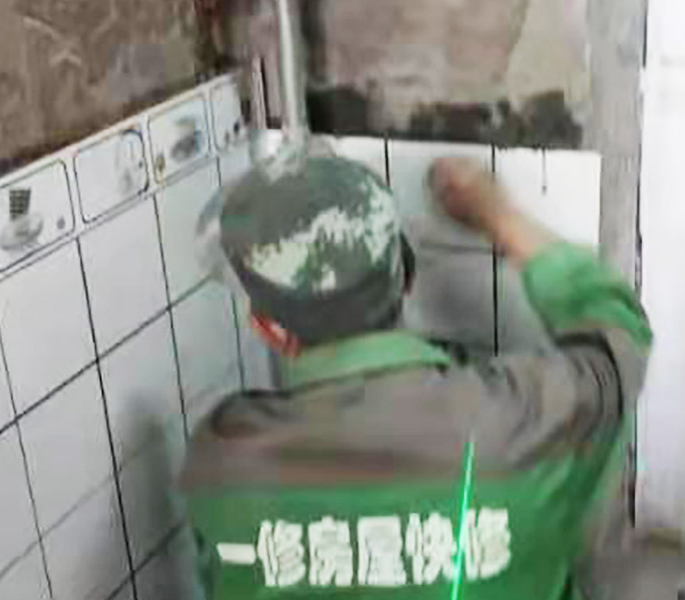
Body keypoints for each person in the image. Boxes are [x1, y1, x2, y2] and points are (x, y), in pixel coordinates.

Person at [182, 156, 652, 600]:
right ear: (407, 277)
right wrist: (498, 216)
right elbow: (618, 337)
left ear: (270, 330)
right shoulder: (524, 417)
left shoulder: (223, 458)